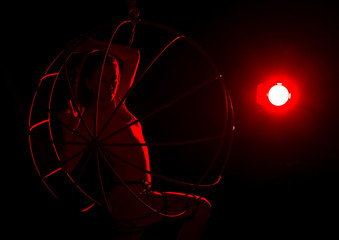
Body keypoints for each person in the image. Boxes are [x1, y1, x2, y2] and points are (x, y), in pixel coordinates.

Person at [60, 38, 211, 240]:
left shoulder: (119, 102)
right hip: (129, 200)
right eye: (102, 80)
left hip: (140, 196)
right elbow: (69, 167)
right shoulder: (89, 120)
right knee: (200, 207)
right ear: (88, 83)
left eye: (113, 79)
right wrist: (67, 129)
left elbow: (134, 56)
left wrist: (95, 45)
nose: (110, 86)